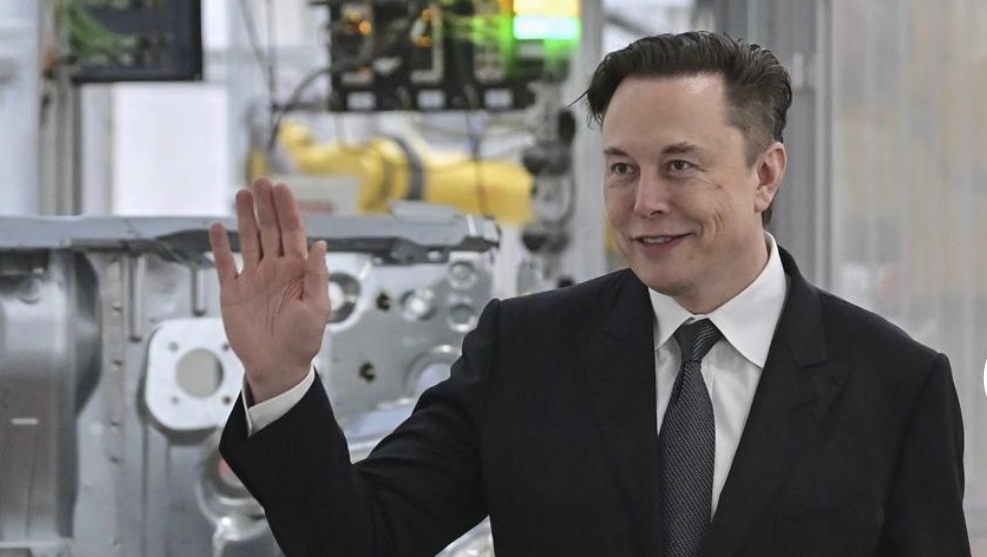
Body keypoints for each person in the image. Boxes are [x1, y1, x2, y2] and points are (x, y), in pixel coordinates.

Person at [209, 31, 971, 557]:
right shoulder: (523, 355)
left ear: (764, 175)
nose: (644, 203)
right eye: (621, 169)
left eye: (678, 166)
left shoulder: (893, 387)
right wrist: (281, 378)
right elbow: (360, 540)